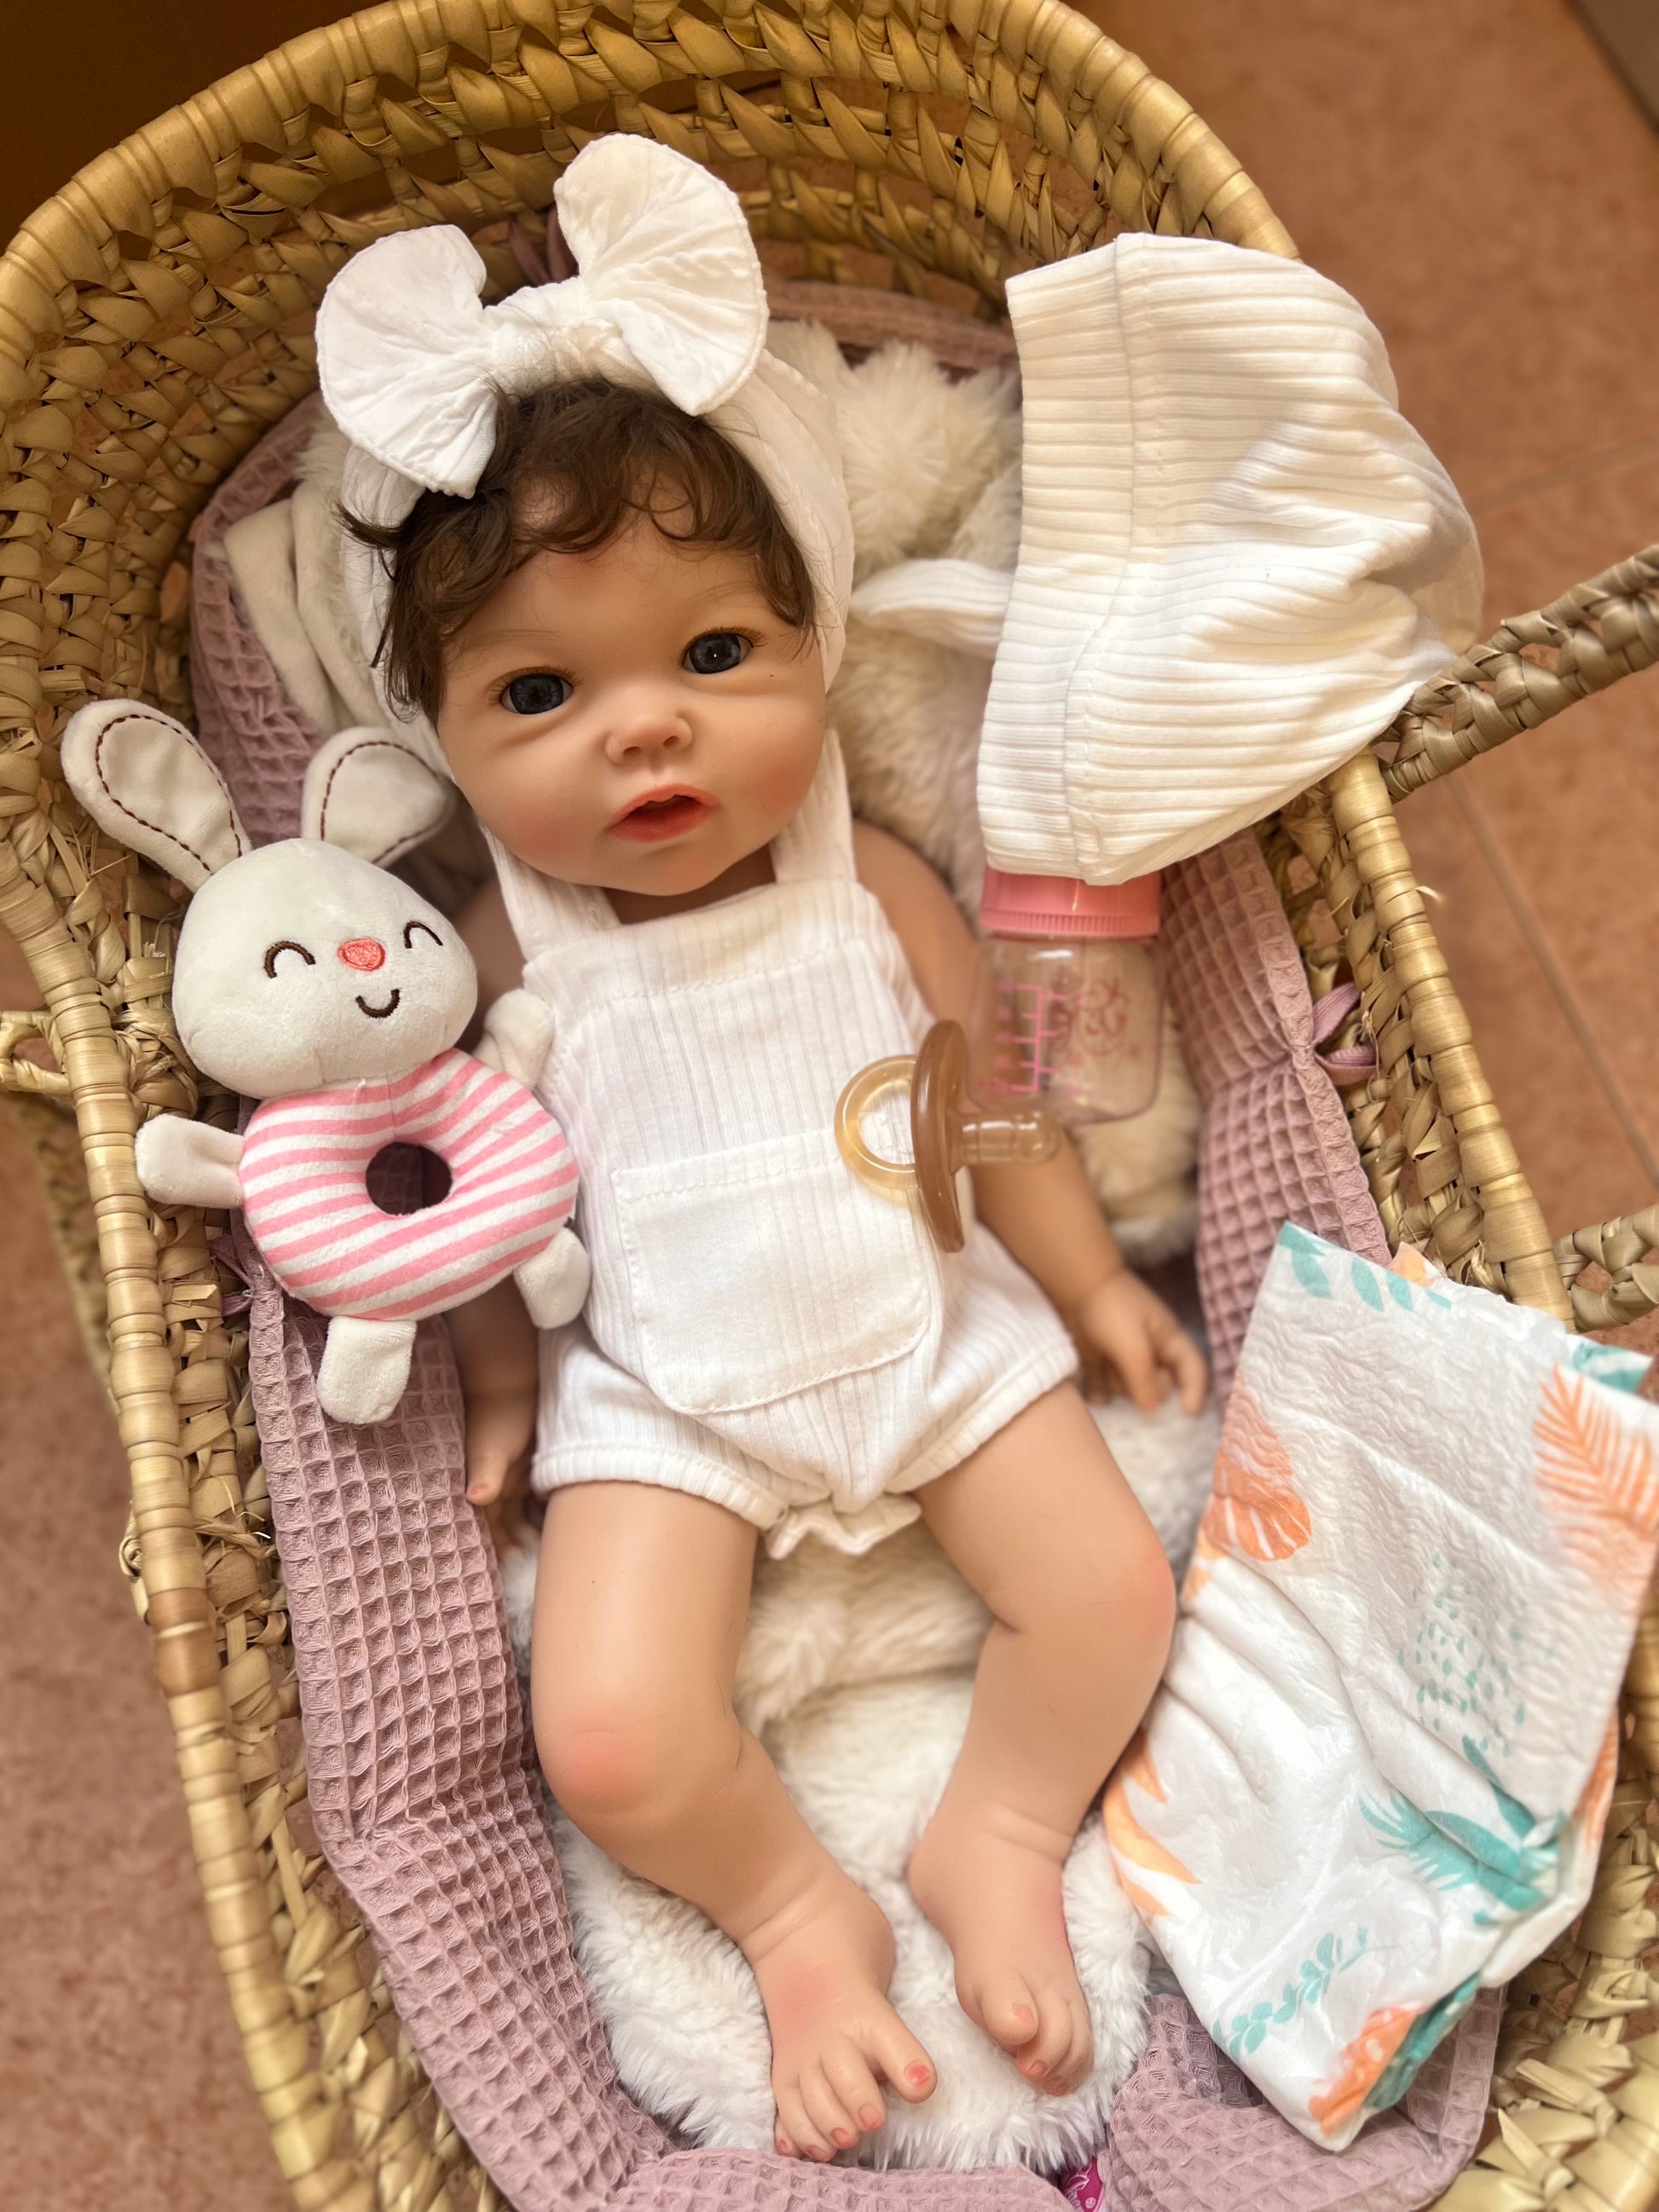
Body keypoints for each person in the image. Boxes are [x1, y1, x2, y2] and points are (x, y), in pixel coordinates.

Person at [321, 137, 1205, 2165]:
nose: (644, 729)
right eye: (542, 690)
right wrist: (504, 1390)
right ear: (448, 741)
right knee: (610, 1732)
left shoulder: (867, 885)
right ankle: (800, 1913)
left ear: (811, 646)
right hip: (669, 1403)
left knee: (1111, 1594)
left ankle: (996, 1828)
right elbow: (480, 1204)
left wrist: (1082, 1277)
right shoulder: (498, 958)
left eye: (713, 656)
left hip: (937, 1336)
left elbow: (988, 1100)